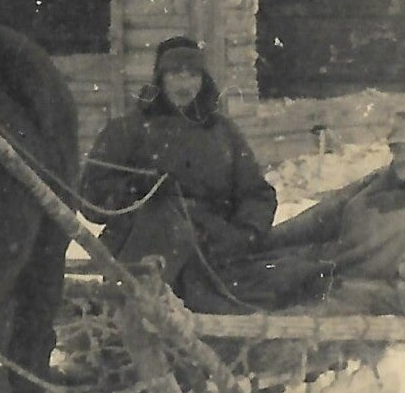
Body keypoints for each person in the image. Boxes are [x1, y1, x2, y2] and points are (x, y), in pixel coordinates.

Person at [80, 36, 277, 313]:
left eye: (193, 74)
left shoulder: (222, 133)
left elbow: (256, 194)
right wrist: (137, 187)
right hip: (145, 254)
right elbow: (91, 198)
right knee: (139, 315)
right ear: (160, 79)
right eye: (175, 74)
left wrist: (246, 233)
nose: (185, 84)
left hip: (212, 252)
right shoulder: (128, 130)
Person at [223, 107, 405, 320]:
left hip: (343, 293)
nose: (401, 158)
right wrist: (260, 242)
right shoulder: (381, 181)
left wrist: (348, 290)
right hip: (312, 268)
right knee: (232, 279)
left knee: (264, 322)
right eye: (396, 149)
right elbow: (321, 218)